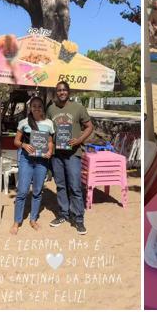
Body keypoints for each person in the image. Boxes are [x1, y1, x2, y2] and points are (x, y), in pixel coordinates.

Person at [47, 82, 94, 235]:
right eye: (59, 90)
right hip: (57, 155)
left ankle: (78, 218)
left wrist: (79, 140)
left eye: (64, 90)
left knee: (74, 186)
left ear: (69, 91)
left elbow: (89, 127)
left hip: (73, 154)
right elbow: (47, 129)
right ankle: (63, 214)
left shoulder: (78, 108)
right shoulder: (51, 109)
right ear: (56, 92)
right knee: (60, 185)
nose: (62, 92)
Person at [11, 96, 54, 234]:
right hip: (26, 160)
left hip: (41, 161)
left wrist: (50, 152)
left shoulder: (49, 124)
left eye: (39, 106)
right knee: (22, 191)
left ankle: (33, 219)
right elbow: (16, 141)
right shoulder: (24, 122)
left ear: (43, 108)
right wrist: (24, 145)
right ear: (30, 107)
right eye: (34, 106)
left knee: (37, 191)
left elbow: (50, 142)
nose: (36, 108)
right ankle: (17, 221)